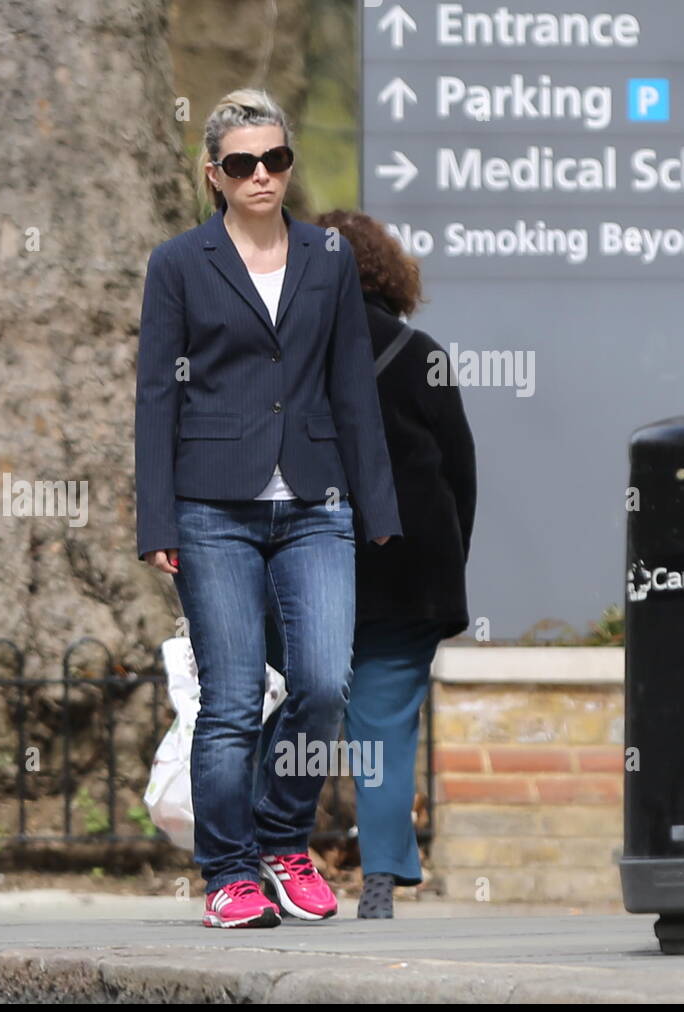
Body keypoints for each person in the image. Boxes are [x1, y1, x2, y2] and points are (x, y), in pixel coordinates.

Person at [135, 88, 401, 929]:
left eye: (276, 159)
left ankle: (285, 842)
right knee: (233, 696)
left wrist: (377, 506)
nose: (262, 175)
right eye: (244, 163)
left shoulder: (326, 256)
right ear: (215, 174)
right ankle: (229, 870)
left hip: (317, 501)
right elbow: (154, 399)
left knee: (324, 683)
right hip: (212, 506)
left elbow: (354, 384)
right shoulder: (179, 263)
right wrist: (158, 521)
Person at [314, 210, 477, 919]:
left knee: (296, 712)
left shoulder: (291, 354)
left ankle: (266, 861)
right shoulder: (423, 353)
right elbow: (459, 474)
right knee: (384, 724)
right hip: (411, 568)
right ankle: (379, 878)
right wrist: (447, 565)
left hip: (313, 555)